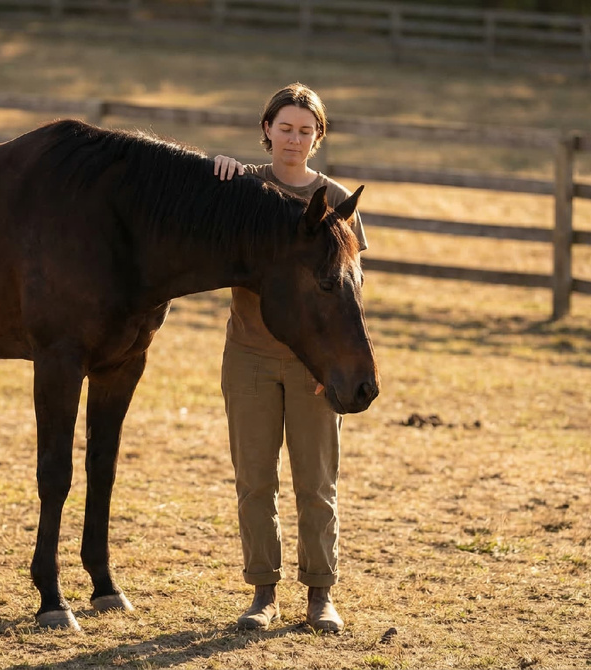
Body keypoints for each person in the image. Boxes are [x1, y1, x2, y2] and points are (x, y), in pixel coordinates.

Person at [212, 83, 368, 634]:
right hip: (249, 357)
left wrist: (334, 365)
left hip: (312, 366)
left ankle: (321, 595)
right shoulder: (244, 188)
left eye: (305, 130)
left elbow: (351, 294)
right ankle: (263, 594)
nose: (294, 139)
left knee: (316, 483)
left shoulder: (336, 199)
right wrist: (218, 172)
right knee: (255, 482)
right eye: (285, 128)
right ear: (267, 129)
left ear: (317, 137)